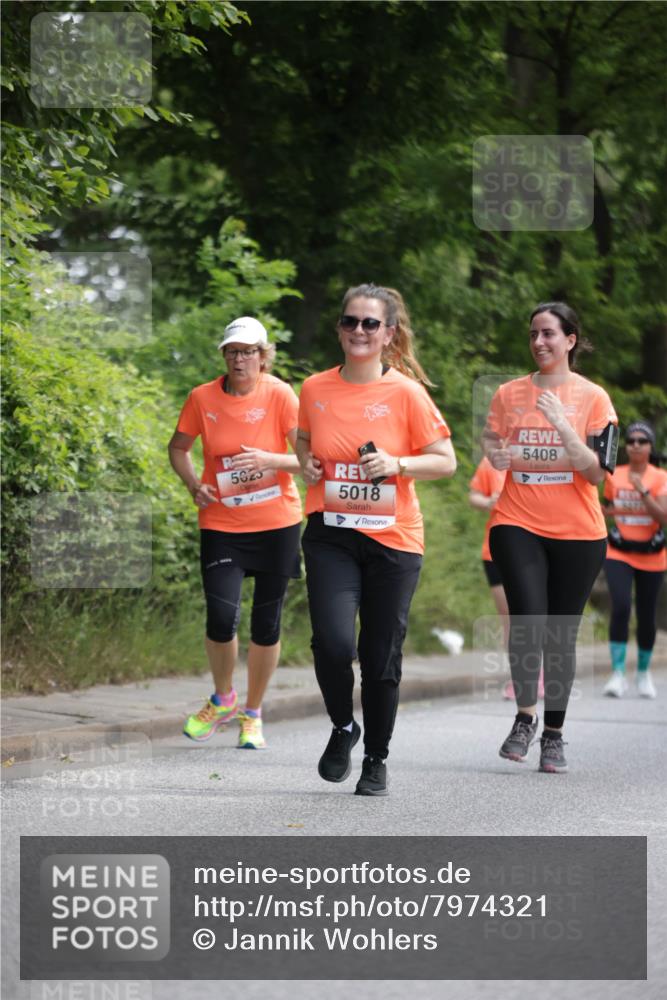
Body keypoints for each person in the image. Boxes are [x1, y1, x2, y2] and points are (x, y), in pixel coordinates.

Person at [296, 283, 456, 796]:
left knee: (381, 654)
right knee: (333, 643)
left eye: (370, 324)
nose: (358, 331)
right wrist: (306, 461)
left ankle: (376, 758)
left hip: (393, 540)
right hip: (331, 533)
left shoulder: (406, 392)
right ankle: (344, 726)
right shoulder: (315, 388)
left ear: (389, 334)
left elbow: (445, 461)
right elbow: (302, 440)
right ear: (339, 328)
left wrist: (397, 464)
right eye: (350, 322)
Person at [483, 301, 618, 773]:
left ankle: (554, 734)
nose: (539, 342)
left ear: (570, 340)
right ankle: (525, 717)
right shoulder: (508, 392)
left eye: (549, 334)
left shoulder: (595, 398)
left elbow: (597, 473)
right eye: (534, 334)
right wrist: (497, 456)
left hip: (579, 533)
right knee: (528, 621)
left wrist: (562, 422)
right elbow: (491, 439)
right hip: (516, 520)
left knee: (560, 634)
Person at [168, 316, 302, 750]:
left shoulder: (280, 394)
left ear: (264, 357)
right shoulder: (202, 397)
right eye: (232, 351)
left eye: (248, 352)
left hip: (277, 524)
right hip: (222, 523)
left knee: (267, 624)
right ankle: (224, 698)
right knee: (221, 616)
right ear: (224, 356)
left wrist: (271, 459)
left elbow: (311, 458)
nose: (239, 359)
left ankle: (254, 713)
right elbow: (178, 448)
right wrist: (194, 484)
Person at [469, 457, 545, 700]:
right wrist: (489, 501)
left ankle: (539, 676)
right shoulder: (491, 461)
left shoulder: (541, 458)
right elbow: (474, 496)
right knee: (510, 620)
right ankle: (519, 677)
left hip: (534, 551)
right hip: (495, 551)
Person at [601, 421, 667, 699]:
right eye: (631, 440)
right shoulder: (614, 475)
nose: (636, 445)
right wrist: (609, 512)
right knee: (621, 605)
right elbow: (607, 508)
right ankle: (617, 673)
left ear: (651, 447)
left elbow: (662, 517)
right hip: (618, 552)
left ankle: (642, 674)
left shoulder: (660, 477)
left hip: (652, 555)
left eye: (642, 440)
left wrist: (642, 491)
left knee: (646, 614)